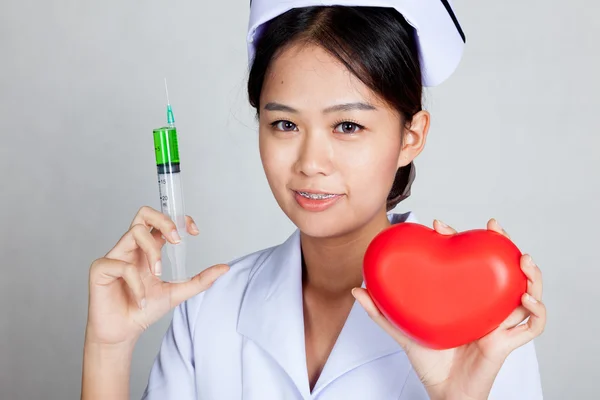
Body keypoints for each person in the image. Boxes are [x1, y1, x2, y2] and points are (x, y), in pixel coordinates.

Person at [81, 1, 547, 399]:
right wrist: (108, 348)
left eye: (347, 126)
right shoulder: (209, 311)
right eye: (285, 125)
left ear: (412, 136)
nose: (310, 162)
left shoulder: (485, 323)